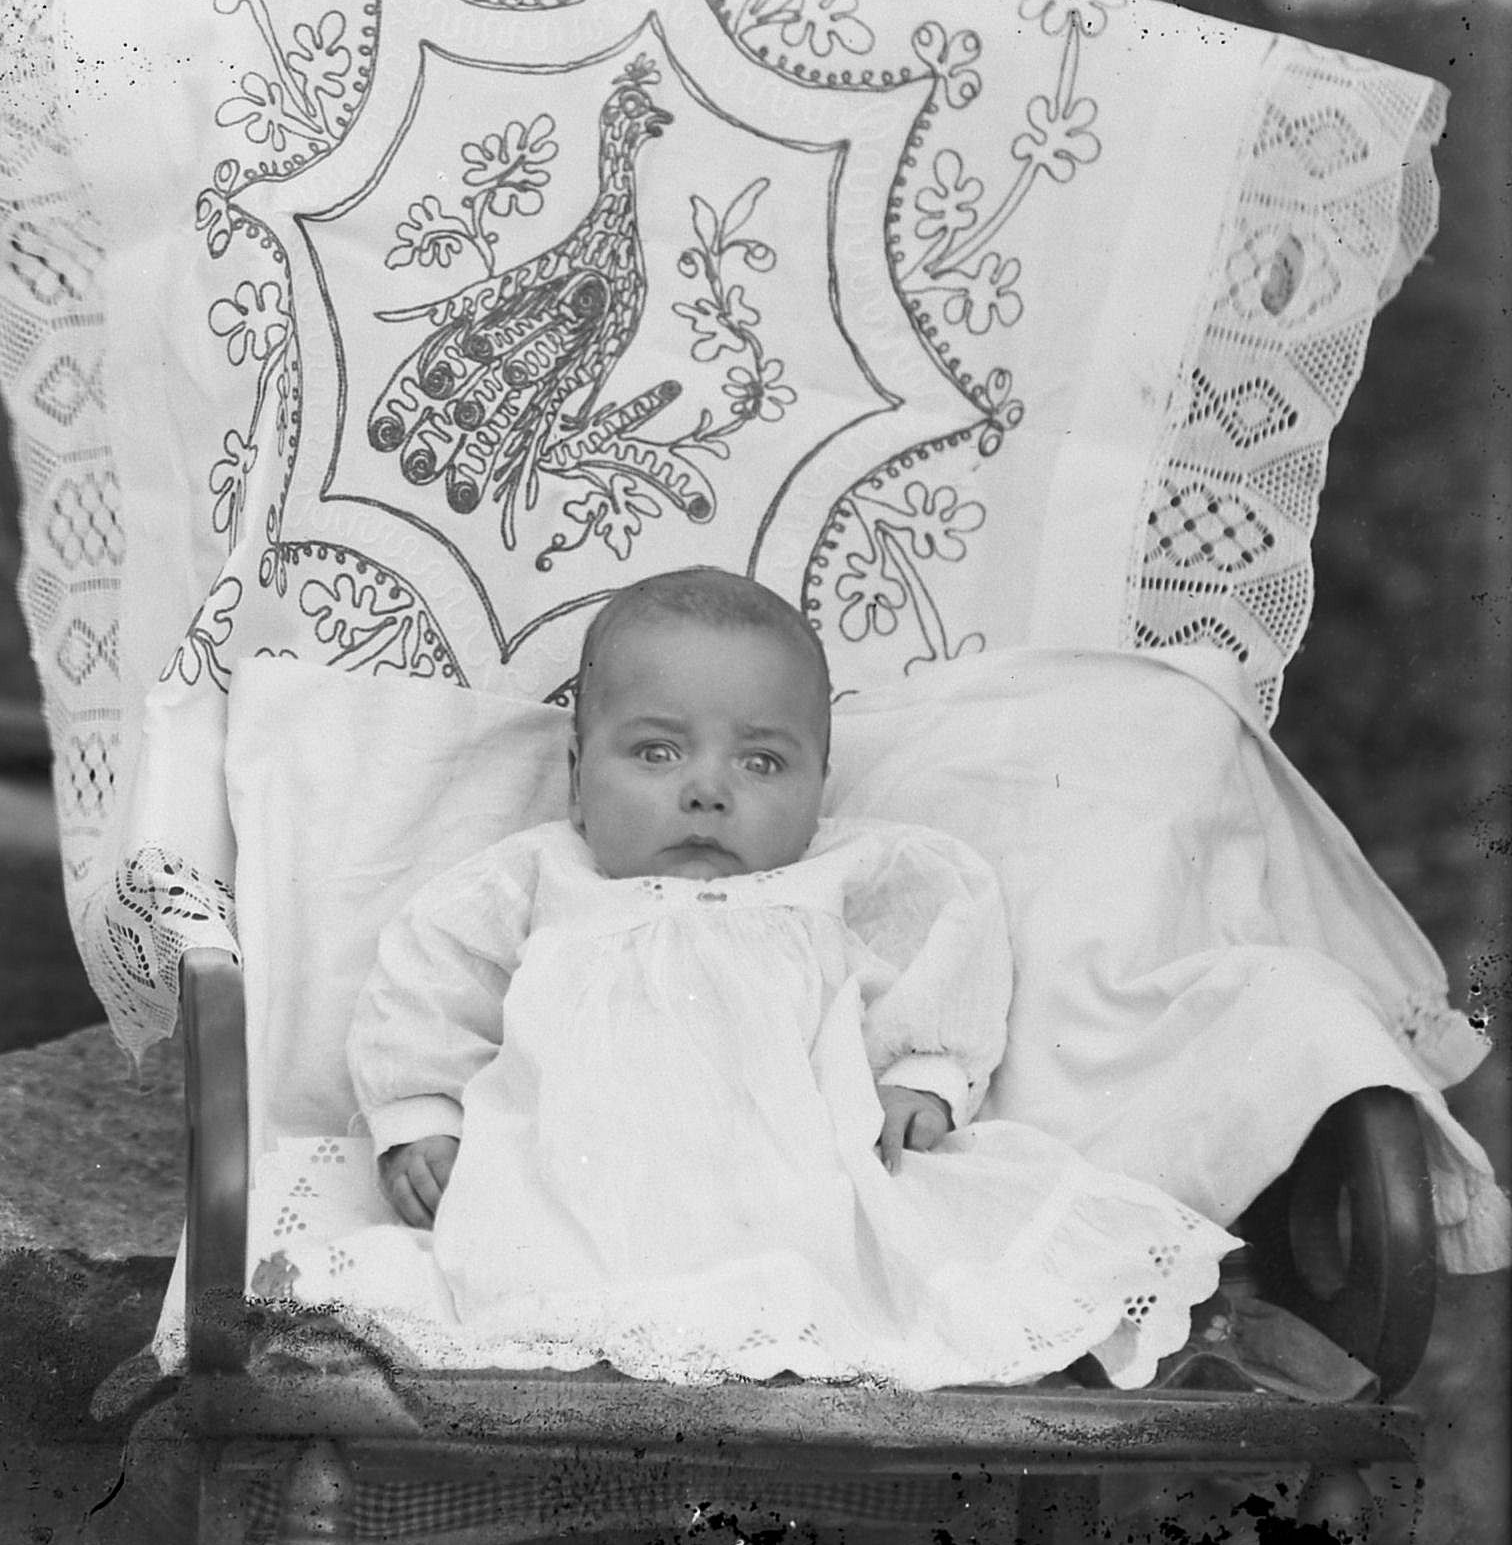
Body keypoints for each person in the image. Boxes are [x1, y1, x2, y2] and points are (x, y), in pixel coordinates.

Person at [258, 567, 1235, 1387]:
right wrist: (419, 1116)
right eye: (656, 751)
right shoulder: (540, 880)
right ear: (576, 772)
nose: (706, 789)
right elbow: (428, 979)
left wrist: (925, 1073)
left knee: (875, 1293)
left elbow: (952, 924)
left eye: (762, 762)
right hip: (568, 1192)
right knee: (495, 1299)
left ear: (820, 785)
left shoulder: (846, 877)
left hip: (792, 1205)